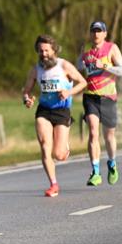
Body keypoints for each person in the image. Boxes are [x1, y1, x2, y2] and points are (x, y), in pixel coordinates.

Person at [21, 34, 87, 197]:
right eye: (41, 51)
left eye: (47, 51)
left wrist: (68, 92)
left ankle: (65, 148)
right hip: (44, 110)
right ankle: (53, 184)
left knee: (59, 154)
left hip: (61, 111)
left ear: (54, 50)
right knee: (45, 146)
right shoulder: (36, 69)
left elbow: (83, 83)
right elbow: (26, 90)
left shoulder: (64, 66)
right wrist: (27, 99)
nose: (43, 54)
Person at [77, 21, 122, 186]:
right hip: (90, 97)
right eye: (93, 31)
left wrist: (104, 65)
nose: (96, 34)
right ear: (90, 34)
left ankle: (112, 163)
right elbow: (77, 70)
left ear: (105, 34)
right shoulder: (86, 52)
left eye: (99, 31)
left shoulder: (112, 48)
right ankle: (95, 172)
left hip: (108, 98)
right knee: (93, 132)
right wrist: (81, 64)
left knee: (109, 136)